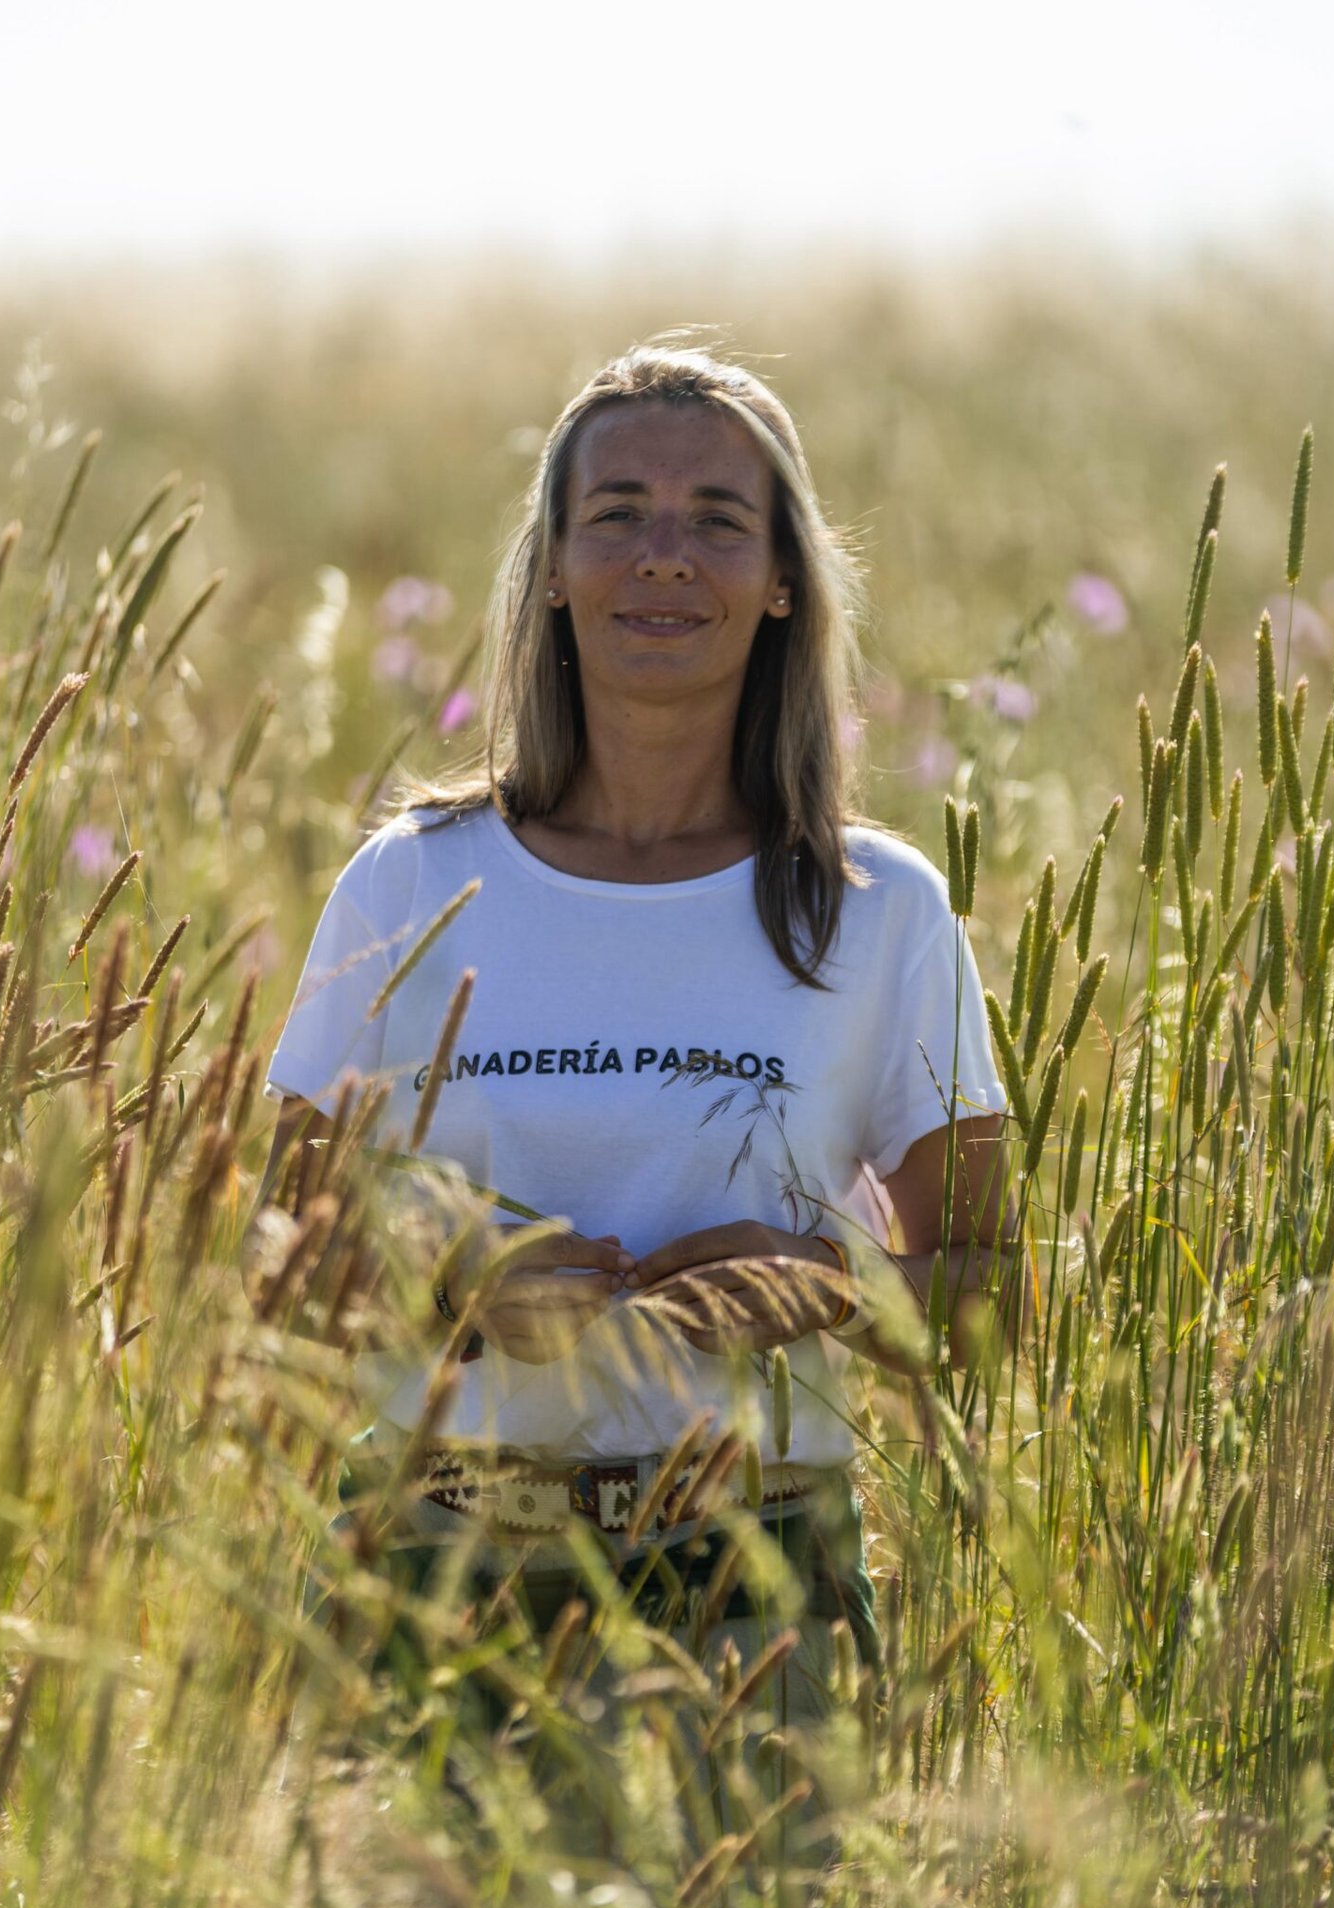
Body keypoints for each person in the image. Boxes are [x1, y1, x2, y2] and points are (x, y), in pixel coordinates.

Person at [248, 344, 1011, 1819]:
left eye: (720, 517)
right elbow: (269, 1251)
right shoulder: (412, 882)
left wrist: (828, 1278)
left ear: (784, 577)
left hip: (757, 1586)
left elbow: (989, 1295)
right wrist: (459, 1274)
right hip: (436, 1568)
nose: (666, 556)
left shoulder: (882, 907)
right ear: (551, 569)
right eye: (619, 514)